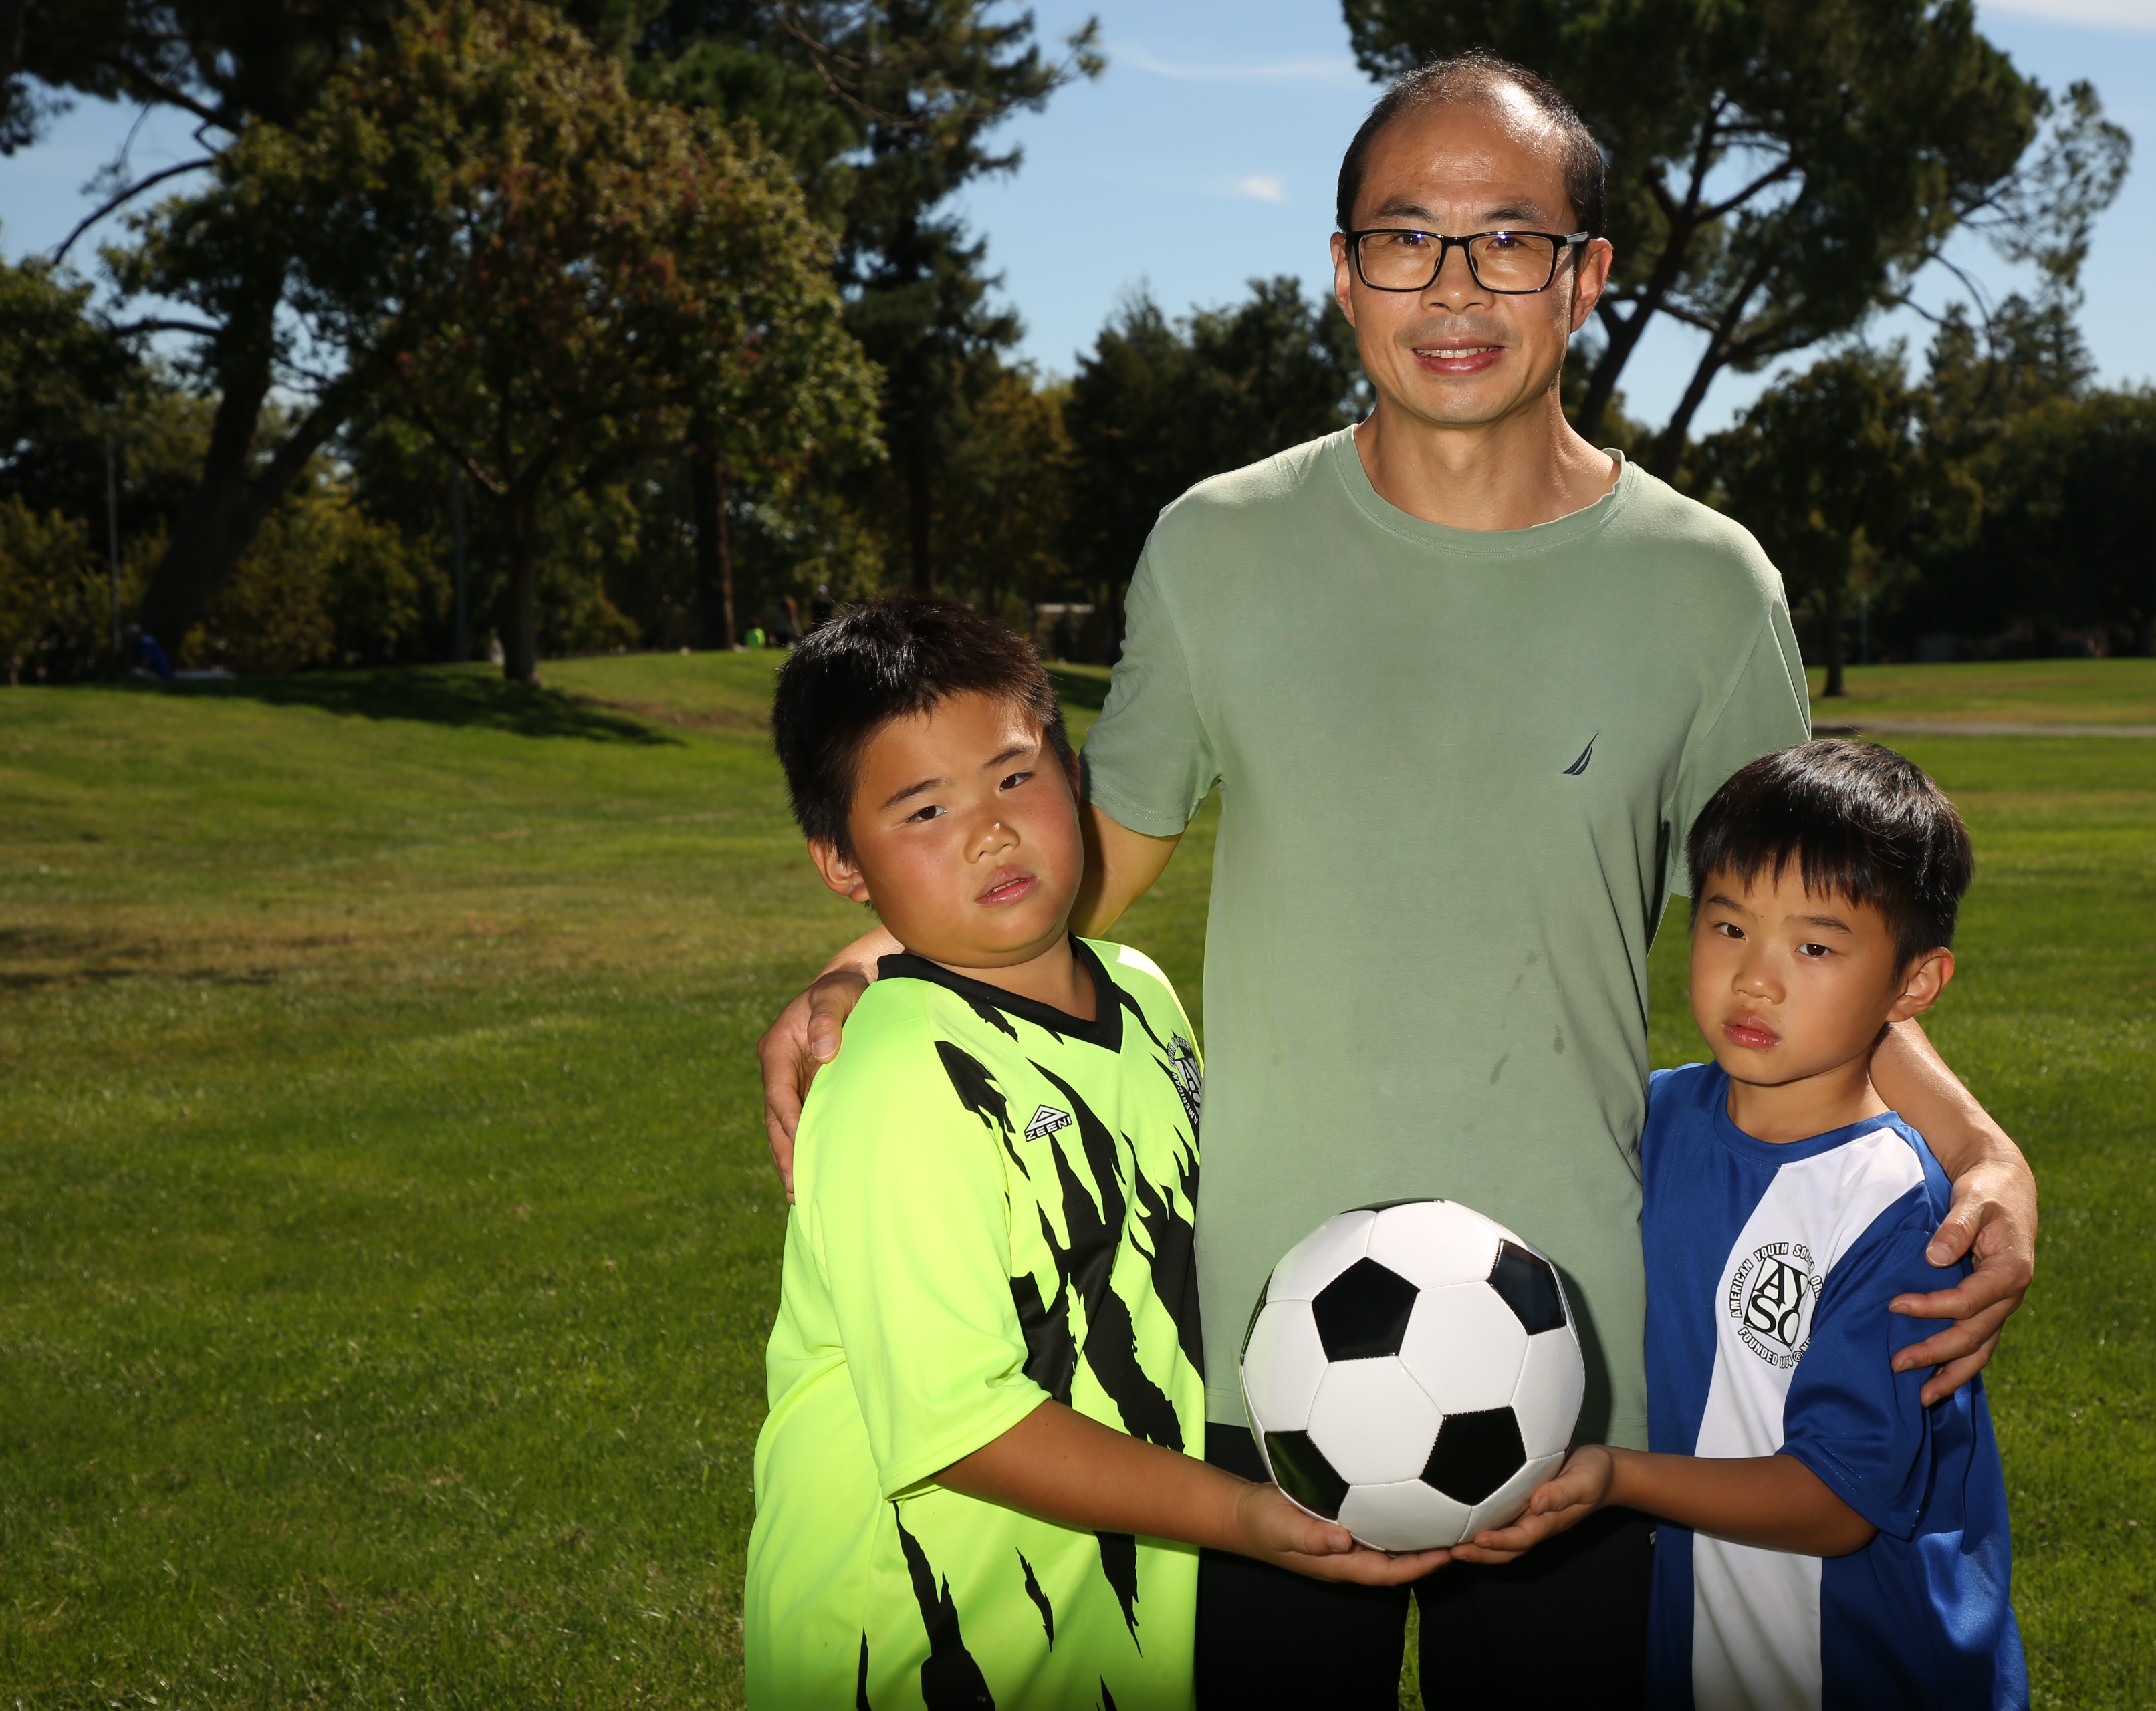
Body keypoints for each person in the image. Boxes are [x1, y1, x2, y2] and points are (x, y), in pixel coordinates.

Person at [756, 53, 2040, 1706]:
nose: (1452, 287)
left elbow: (1809, 949)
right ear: (1342, 269)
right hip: (1265, 1361)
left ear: (1586, 273)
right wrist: (871, 964)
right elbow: (1074, 876)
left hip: (1584, 1370)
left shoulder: (1708, 587)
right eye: (1404, 238)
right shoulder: (1216, 546)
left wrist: (1982, 1150)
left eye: (1508, 239)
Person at [745, 600, 1441, 1710]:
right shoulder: (893, 1078)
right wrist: (1241, 1514)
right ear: (842, 861)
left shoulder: (1143, 995)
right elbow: (960, 1426)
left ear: (1073, 778)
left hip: (1101, 1634)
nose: (989, 833)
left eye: (1015, 778)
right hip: (919, 1643)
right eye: (925, 809)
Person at [1461, 740, 2024, 1709]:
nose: (1756, 979)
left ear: (1914, 987)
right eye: (1728, 927)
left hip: (1867, 1667)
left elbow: (1840, 1503)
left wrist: (1618, 1478)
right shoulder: (1653, 1119)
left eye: (1815, 948)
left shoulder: (1899, 1213)